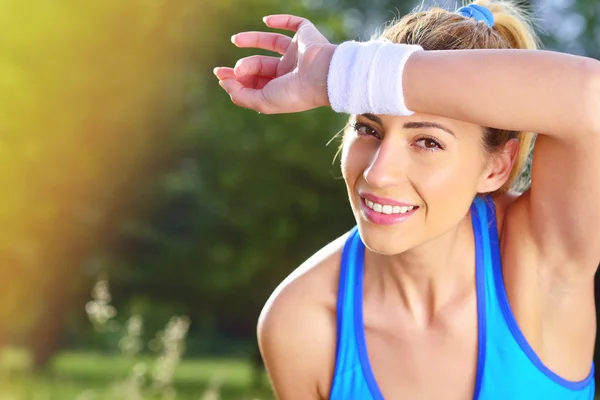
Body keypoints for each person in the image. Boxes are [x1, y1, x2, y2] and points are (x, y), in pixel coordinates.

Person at [213, 0, 600, 398]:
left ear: (497, 168)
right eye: (368, 128)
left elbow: (592, 97)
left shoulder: (541, 259)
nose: (378, 174)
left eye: (427, 141)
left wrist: (331, 70)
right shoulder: (303, 323)